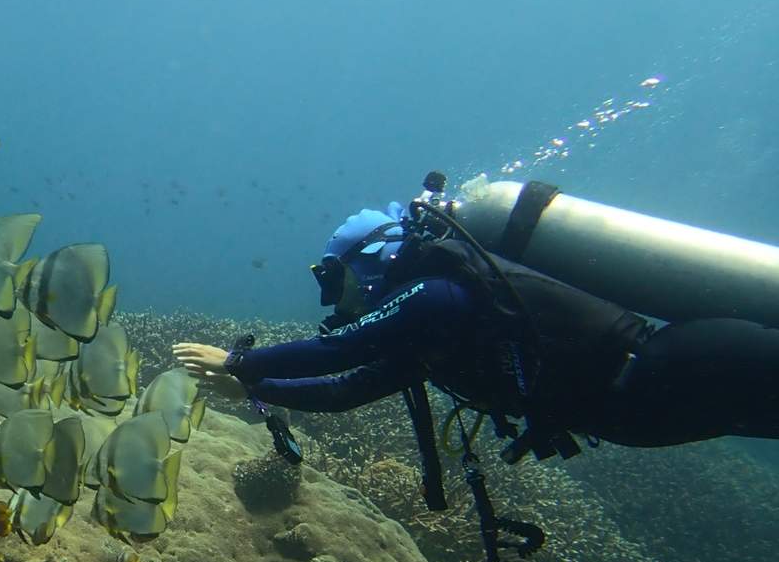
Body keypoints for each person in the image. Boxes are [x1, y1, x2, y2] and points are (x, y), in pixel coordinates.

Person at [173, 197, 779, 464]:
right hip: (647, 407)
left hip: (678, 366)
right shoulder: (429, 337)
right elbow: (343, 391)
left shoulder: (434, 293)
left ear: (365, 261)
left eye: (336, 281)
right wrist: (256, 393)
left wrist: (241, 364)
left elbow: (339, 350)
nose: (340, 299)